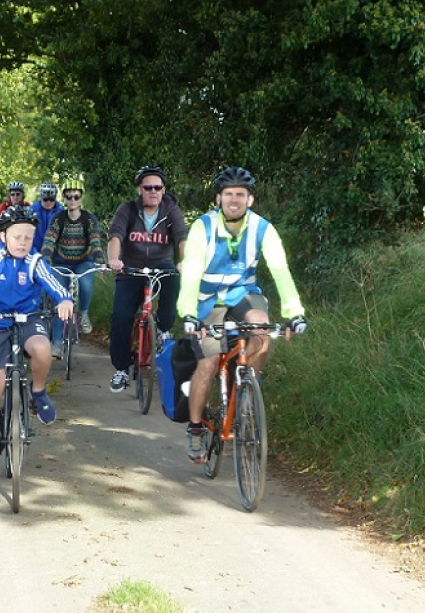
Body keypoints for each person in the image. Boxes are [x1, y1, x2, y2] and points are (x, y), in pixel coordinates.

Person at [177, 166, 308, 462]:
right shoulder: (203, 227)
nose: (234, 200)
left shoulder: (263, 228)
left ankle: (248, 391)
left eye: (240, 194)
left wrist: (294, 313)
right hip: (207, 302)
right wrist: (188, 313)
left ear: (249, 199)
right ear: (219, 198)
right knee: (209, 365)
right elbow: (192, 270)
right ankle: (196, 428)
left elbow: (280, 271)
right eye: (228, 194)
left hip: (243, 295)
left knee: (261, 331)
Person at [0, 205, 73, 468]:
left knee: (43, 349)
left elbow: (53, 284)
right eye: (17, 237)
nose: (22, 243)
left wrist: (64, 300)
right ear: (3, 237)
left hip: (28, 318)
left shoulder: (35, 261)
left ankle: (38, 392)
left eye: (28, 238)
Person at [106, 165, 188, 393]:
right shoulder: (128, 209)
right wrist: (114, 259)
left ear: (164, 190)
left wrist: (185, 260)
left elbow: (182, 236)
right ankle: (121, 368)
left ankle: (163, 329)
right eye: (148, 187)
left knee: (173, 287)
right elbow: (115, 235)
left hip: (162, 266)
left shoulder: (171, 210)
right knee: (121, 316)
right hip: (130, 267)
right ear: (139, 189)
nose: (153, 191)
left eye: (158, 187)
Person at [40, 177, 106, 356]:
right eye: (68, 197)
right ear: (64, 198)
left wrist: (99, 259)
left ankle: (84, 314)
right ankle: (57, 343)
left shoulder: (89, 219)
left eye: (76, 196)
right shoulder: (58, 217)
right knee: (59, 298)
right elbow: (50, 239)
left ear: (81, 197)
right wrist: (45, 256)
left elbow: (95, 241)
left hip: (83, 261)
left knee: (85, 284)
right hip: (61, 262)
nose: (72, 200)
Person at [29, 182, 63, 251]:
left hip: (55, 251)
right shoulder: (32, 210)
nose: (48, 202)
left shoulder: (61, 211)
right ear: (40, 197)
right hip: (35, 250)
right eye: (45, 199)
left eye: (51, 199)